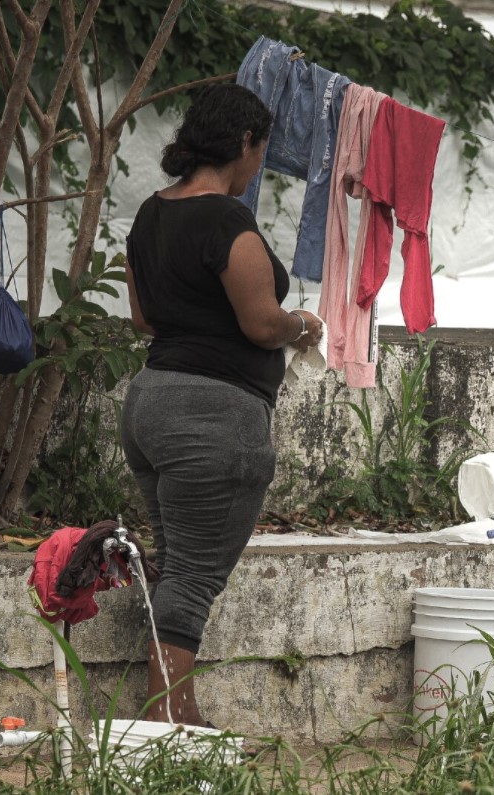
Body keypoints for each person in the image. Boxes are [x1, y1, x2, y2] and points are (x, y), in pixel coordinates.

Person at [120, 84, 321, 725]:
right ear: (244, 143)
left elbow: (144, 319)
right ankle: (170, 720)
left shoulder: (150, 215)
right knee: (195, 575)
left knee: (178, 564)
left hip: (149, 404)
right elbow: (263, 324)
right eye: (261, 150)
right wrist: (304, 326)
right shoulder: (228, 222)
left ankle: (173, 712)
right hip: (214, 417)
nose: (258, 164)